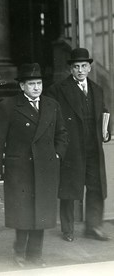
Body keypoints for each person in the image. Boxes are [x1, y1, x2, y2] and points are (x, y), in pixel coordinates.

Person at [0, 63, 68, 268]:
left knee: (41, 211)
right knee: (23, 212)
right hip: (20, 169)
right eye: (31, 84)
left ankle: (35, 255)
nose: (36, 88)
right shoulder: (9, 106)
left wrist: (57, 154)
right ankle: (19, 252)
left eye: (39, 83)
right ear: (22, 86)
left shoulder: (52, 105)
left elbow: (62, 134)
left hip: (45, 168)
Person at [46, 47, 111, 242]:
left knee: (96, 187)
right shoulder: (57, 90)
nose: (80, 70)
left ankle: (93, 226)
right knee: (69, 189)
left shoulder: (97, 90)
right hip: (72, 149)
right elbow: (51, 120)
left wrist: (108, 132)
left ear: (90, 68)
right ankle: (68, 229)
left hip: (93, 148)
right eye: (76, 67)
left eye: (84, 66)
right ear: (71, 69)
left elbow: (104, 113)